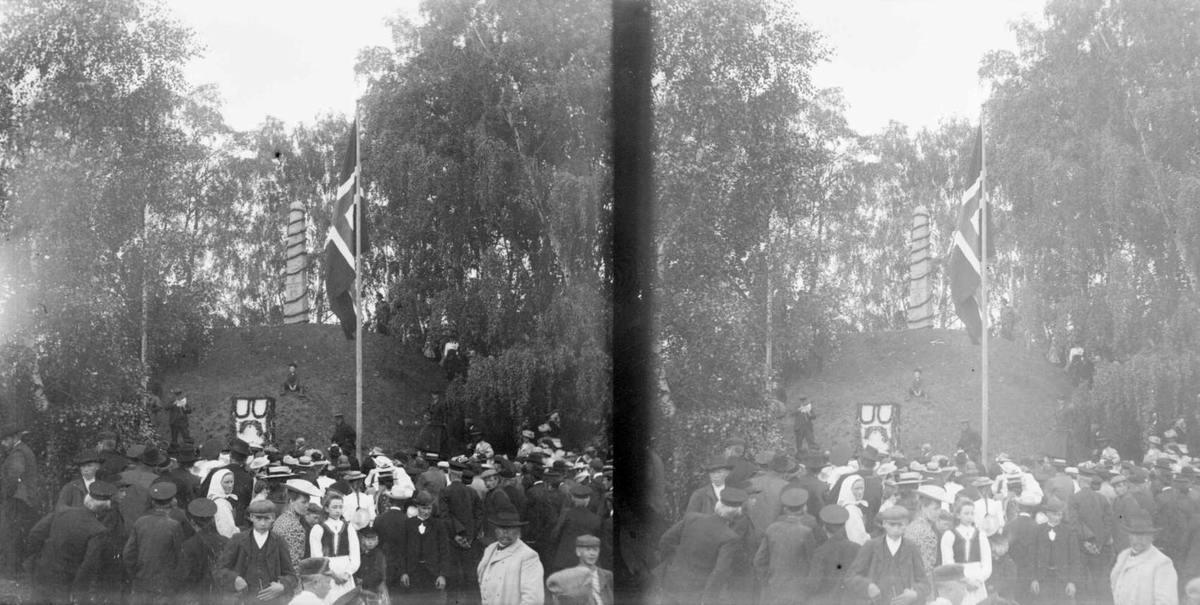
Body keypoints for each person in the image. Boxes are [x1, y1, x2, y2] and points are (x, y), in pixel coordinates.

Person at [26, 481, 116, 605]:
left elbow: (34, 534)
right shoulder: (99, 530)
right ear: (106, 507)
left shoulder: (62, 512)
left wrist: (38, 559)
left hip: (43, 574)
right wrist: (78, 591)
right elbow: (88, 564)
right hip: (66, 583)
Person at [215, 499, 298, 605]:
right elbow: (218, 570)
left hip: (272, 602)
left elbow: (292, 576)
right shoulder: (238, 540)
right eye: (258, 518)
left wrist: (282, 586)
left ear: (273, 518)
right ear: (251, 517)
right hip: (243, 600)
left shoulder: (280, 542)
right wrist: (234, 579)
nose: (263, 523)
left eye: (267, 518)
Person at [846, 505, 930, 605]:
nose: (896, 530)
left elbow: (925, 584)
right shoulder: (871, 546)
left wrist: (915, 594)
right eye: (892, 525)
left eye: (900, 525)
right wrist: (867, 587)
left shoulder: (912, 548)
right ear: (884, 524)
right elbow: (850, 577)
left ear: (906, 524)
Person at [123, 482, 185, 605]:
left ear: (153, 502)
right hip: (165, 586)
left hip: (141, 582)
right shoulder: (174, 526)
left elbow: (128, 555)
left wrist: (135, 574)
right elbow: (181, 558)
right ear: (172, 502)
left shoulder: (140, 522)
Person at [754, 486, 816, 605]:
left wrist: (766, 581)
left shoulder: (772, 528)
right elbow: (811, 562)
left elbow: (758, 561)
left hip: (772, 590)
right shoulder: (807, 531)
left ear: (785, 509)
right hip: (797, 593)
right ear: (804, 508)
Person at [1110, 510, 1177, 605]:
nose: (1139, 539)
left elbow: (1167, 601)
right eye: (1135, 534)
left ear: (1152, 537)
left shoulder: (1162, 563)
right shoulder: (1123, 556)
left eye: (1144, 535)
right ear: (1129, 536)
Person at [477, 510, 544, 605]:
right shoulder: (489, 550)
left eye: (510, 528)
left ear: (518, 531)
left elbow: (533, 598)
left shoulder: (528, 556)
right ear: (495, 530)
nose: (505, 532)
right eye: (501, 527)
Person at [0, 423, 39, 578]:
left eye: (5, 439)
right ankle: (16, 568)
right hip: (24, 498)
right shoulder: (23, 450)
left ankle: (10, 571)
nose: (2, 443)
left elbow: (15, 475)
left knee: (9, 532)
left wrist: (5, 494)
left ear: (16, 437)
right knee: (17, 533)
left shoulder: (18, 454)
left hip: (17, 498)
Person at [803, 504, 862, 604]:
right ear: (844, 526)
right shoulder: (857, 548)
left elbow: (814, 583)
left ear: (824, 528)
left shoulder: (820, 552)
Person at [308, 491, 360, 603]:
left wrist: (347, 573)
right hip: (327, 574)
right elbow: (317, 558)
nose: (338, 510)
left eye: (340, 507)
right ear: (326, 508)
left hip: (346, 574)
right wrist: (333, 575)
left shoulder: (348, 527)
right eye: (334, 507)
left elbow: (355, 555)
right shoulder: (318, 528)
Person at [939, 500, 992, 605]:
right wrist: (965, 581)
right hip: (959, 580)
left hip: (977, 579)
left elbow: (987, 563)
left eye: (972, 513)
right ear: (958, 515)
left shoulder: (980, 535)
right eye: (966, 513)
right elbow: (948, 563)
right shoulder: (949, 535)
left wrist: (979, 580)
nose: (969, 517)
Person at [401, 490, 450, 602]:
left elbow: (445, 551)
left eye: (429, 508)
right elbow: (403, 550)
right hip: (413, 572)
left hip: (432, 572)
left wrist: (442, 575)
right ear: (417, 507)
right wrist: (404, 572)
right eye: (424, 508)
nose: (427, 512)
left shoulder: (438, 525)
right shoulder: (408, 524)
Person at [178, 498, 229, 605]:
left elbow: (185, 577)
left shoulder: (188, 545)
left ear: (192, 521)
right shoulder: (226, 541)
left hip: (199, 598)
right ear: (213, 519)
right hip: (222, 597)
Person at [1032, 497, 1082, 604]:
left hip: (1062, 579)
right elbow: (1032, 557)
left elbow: (1075, 558)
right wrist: (1034, 579)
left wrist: (1072, 582)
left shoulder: (1069, 532)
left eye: (1060, 515)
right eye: (1054, 514)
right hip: (1043, 578)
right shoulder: (1038, 531)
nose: (1057, 518)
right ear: (1047, 514)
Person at [549, 483, 603, 572]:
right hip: (587, 561)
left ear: (573, 499)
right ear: (588, 500)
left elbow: (555, 535)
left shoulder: (566, 515)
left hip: (565, 561)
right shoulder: (596, 519)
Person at [277, 479, 321, 569]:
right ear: (291, 501)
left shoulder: (282, 518)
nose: (307, 505)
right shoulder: (293, 526)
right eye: (303, 502)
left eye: (308, 502)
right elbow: (294, 562)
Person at [354, 526, 387, 599]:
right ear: (363, 540)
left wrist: (364, 581)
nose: (370, 542)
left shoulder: (379, 555)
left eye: (373, 539)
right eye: (368, 539)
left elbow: (379, 573)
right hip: (360, 588)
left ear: (377, 541)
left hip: (374, 588)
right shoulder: (359, 554)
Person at [836, 475, 870, 545]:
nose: (860, 492)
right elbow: (859, 539)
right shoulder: (851, 511)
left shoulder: (844, 504)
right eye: (856, 489)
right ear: (848, 490)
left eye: (862, 488)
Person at [208, 468, 241, 538]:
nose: (230, 485)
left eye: (231, 482)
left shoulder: (215, 498)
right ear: (218, 483)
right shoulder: (221, 504)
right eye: (226, 482)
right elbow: (228, 531)